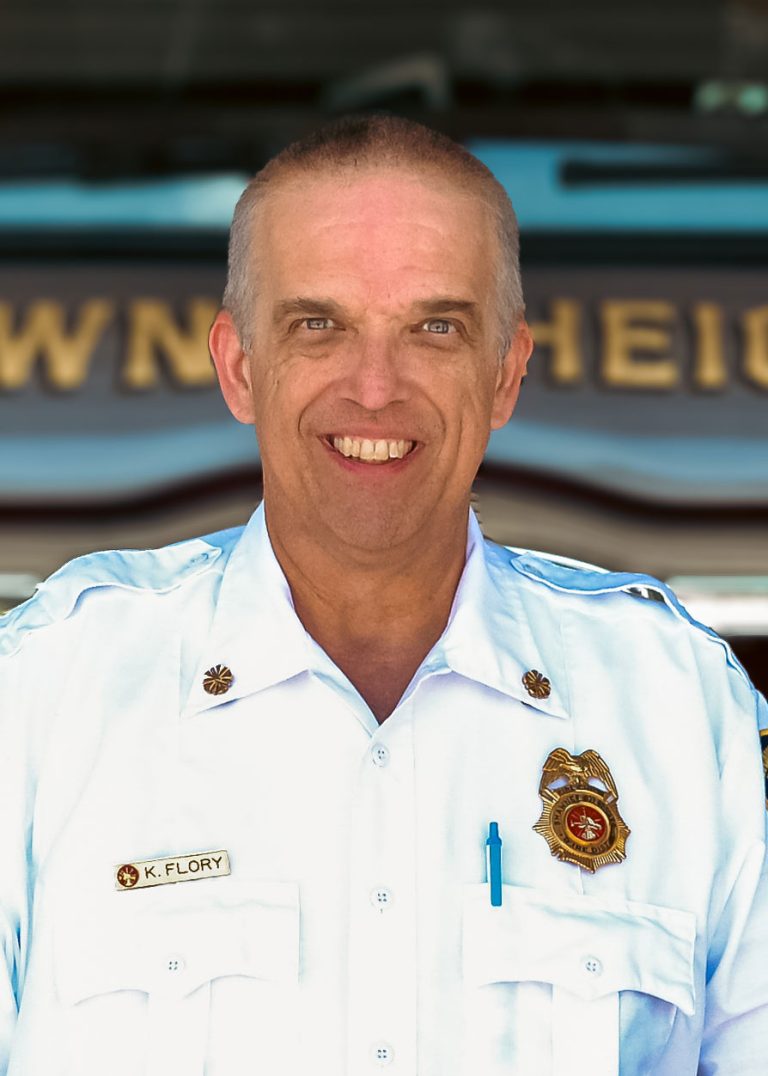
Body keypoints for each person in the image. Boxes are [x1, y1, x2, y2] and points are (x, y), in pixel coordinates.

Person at [0, 115, 766, 1076]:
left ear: (506, 374)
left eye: (435, 328)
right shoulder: (45, 691)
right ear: (240, 368)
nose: (374, 389)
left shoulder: (681, 705)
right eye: (318, 326)